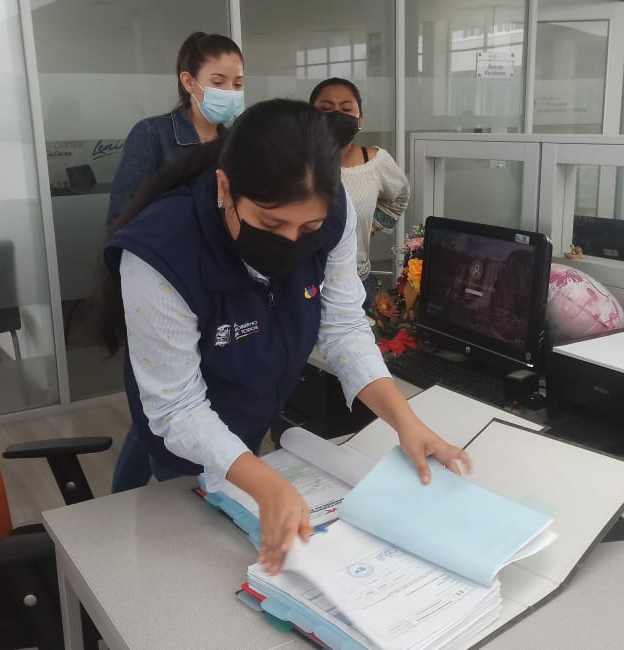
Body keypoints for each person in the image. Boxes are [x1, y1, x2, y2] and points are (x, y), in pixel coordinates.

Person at [97, 99, 469, 573]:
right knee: (199, 559)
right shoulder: (161, 251)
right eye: (271, 224)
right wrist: (265, 484)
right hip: (187, 439)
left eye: (308, 227)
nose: (293, 241)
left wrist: (405, 421)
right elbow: (176, 408)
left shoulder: (334, 214)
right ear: (226, 188)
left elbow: (343, 327)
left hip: (257, 413)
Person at [108, 32, 244, 493]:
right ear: (189, 81)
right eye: (218, 81)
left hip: (217, 292)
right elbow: (122, 221)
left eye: (238, 83)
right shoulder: (152, 136)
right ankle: (140, 503)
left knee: (169, 406)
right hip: (161, 291)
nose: (230, 92)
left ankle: (120, 502)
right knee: (164, 406)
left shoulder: (238, 144)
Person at [309, 78, 410, 308]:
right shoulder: (295, 162)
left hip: (355, 282)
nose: (336, 115)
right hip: (303, 282)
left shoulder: (375, 162)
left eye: (346, 109)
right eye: (326, 109)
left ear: (359, 120)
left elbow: (400, 196)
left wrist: (372, 226)